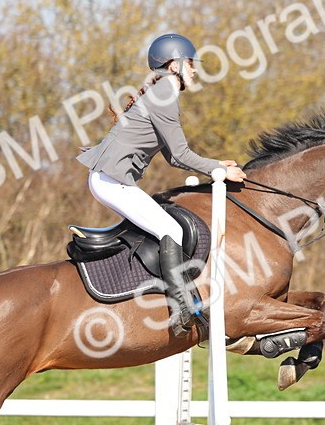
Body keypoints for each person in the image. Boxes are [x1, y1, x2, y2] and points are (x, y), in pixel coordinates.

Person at [76, 33, 246, 336]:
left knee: (168, 228)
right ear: (175, 64)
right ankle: (182, 309)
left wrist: (217, 165)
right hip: (110, 180)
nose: (194, 70)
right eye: (191, 63)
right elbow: (180, 154)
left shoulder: (162, 92)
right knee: (172, 230)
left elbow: (173, 158)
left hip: (109, 178)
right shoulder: (164, 92)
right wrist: (220, 170)